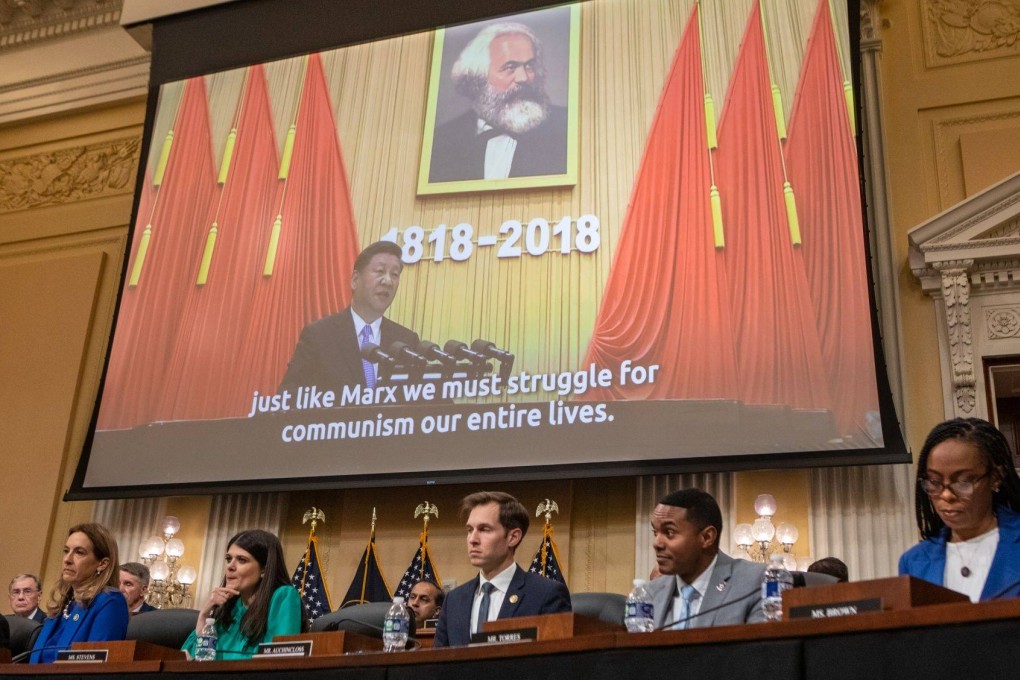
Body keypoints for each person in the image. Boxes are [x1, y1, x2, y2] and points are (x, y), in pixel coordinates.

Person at [899, 417, 1020, 602]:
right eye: (934, 482)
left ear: (996, 477)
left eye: (963, 481)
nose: (946, 495)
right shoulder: (914, 562)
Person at [429, 22, 568, 183]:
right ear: (478, 77)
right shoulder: (442, 140)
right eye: (510, 67)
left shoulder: (566, 127)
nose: (523, 78)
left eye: (529, 66)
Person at [278, 241, 419, 395]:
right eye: (380, 271)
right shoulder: (319, 335)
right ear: (354, 280)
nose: (388, 281)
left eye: (394, 275)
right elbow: (288, 397)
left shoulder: (406, 342)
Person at [435, 491, 571, 647]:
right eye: (469, 530)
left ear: (513, 537)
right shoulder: (454, 600)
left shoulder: (546, 594)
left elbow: (557, 663)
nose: (472, 539)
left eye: (484, 529)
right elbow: (438, 664)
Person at [645, 488, 765, 629]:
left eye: (669, 532)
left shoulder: (757, 582)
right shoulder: (649, 594)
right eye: (655, 532)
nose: (656, 543)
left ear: (707, 537)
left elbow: (761, 649)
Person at [181, 529, 302, 660]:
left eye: (242, 560)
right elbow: (188, 660)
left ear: (264, 569)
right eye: (228, 559)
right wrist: (203, 616)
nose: (230, 566)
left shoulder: (282, 596)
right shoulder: (227, 608)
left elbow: (278, 660)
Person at [30, 523, 129, 663]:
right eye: (66, 551)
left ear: (102, 564)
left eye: (79, 552)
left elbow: (95, 666)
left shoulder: (110, 602)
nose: (67, 559)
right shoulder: (62, 605)